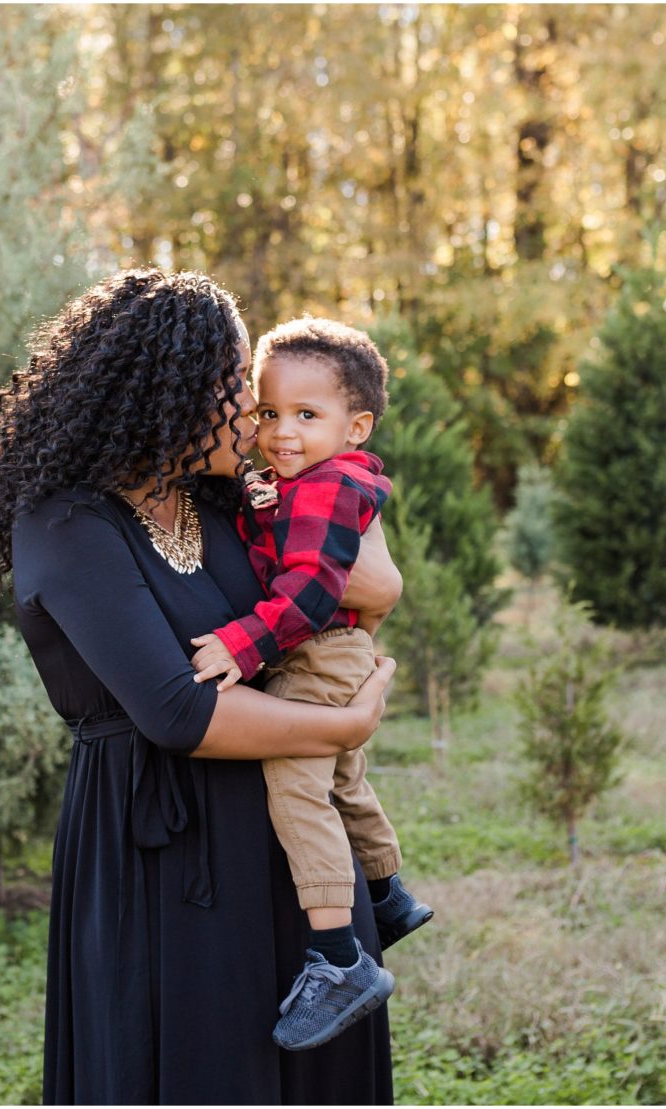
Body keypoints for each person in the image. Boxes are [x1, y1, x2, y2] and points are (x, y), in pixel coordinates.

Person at [0, 268, 402, 1105]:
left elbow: (374, 582)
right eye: (237, 383)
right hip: (159, 857)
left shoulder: (224, 499)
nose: (256, 406)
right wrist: (344, 729)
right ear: (174, 393)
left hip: (286, 833)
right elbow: (176, 708)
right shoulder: (66, 523)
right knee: (202, 1068)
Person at [187, 318, 433, 1053]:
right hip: (333, 651)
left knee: (296, 786)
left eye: (305, 415)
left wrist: (241, 644)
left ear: (355, 427)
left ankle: (338, 958)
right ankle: (386, 893)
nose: (280, 432)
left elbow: (310, 593)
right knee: (343, 777)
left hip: (317, 647)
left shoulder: (329, 486)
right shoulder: (304, 479)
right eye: (268, 412)